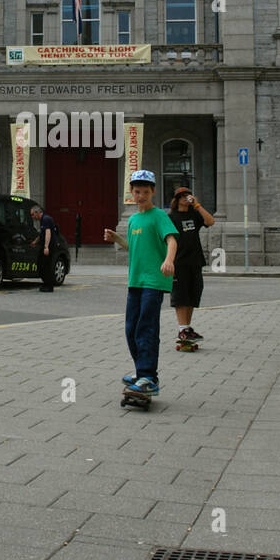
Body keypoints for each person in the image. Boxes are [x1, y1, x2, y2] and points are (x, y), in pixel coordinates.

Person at [103, 170, 178, 397]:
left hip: (153, 281)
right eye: (137, 192)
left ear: (153, 191)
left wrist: (168, 260)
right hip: (135, 280)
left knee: (146, 327)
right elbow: (134, 249)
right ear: (131, 194)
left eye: (146, 191)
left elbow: (172, 240)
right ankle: (142, 372)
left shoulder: (159, 216)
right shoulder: (134, 219)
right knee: (131, 328)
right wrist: (117, 239)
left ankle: (147, 376)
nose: (141, 195)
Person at [168, 186, 214, 349]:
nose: (185, 198)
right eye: (182, 196)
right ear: (176, 199)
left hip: (195, 260)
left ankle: (187, 329)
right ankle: (182, 329)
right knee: (180, 296)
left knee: (193, 295)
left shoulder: (194, 214)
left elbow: (210, 221)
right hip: (178, 262)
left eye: (187, 195)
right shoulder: (171, 217)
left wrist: (198, 205)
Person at [29, 205, 57, 292]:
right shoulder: (43, 220)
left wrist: (46, 247)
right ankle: (46, 283)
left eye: (33, 214)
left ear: (37, 213)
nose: (32, 217)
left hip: (49, 246)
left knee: (45, 265)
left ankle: (49, 285)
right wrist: (35, 242)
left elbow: (48, 233)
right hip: (46, 245)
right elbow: (42, 233)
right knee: (41, 264)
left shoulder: (46, 219)